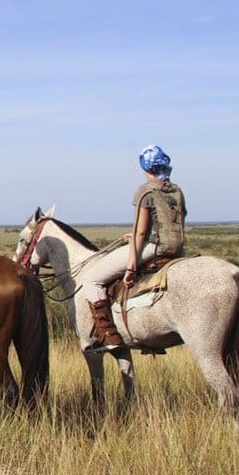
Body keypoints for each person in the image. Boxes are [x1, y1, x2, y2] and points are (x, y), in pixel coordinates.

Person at [81, 144, 187, 352]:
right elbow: (176, 224)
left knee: (91, 279)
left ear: (144, 166)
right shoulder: (176, 191)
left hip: (155, 248)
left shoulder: (145, 191)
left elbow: (140, 233)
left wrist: (130, 268)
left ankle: (108, 336)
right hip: (178, 250)